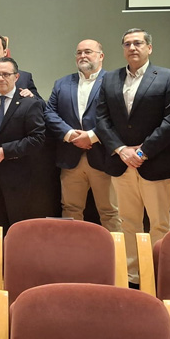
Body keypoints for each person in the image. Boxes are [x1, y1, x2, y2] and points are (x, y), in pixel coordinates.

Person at [96, 28, 170, 285]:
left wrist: (143, 152)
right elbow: (101, 120)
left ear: (149, 48)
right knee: (128, 223)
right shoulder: (110, 79)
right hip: (121, 163)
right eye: (127, 44)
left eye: (138, 43)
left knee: (159, 224)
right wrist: (121, 150)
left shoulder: (168, 77)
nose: (132, 48)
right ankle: (133, 276)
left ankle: (158, 275)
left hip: (154, 162)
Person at [44, 40, 120, 231]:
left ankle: (116, 252)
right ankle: (72, 250)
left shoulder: (114, 81)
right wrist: (70, 134)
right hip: (70, 158)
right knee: (70, 210)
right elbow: (49, 113)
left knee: (110, 212)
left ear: (101, 56)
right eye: (79, 53)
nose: (82, 56)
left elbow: (118, 116)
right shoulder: (62, 83)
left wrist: (92, 136)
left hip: (103, 157)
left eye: (88, 52)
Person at [0, 57, 46, 277]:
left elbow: (37, 138)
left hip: (18, 174)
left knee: (17, 223)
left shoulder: (29, 103)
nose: (0, 78)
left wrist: (7, 151)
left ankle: (18, 269)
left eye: (5, 74)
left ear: (16, 77)